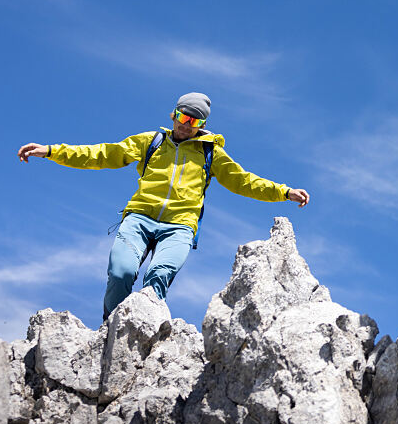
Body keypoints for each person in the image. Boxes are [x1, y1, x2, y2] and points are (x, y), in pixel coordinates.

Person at [17, 92, 310, 320]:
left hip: (179, 226)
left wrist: (284, 192)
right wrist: (52, 151)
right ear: (173, 114)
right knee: (120, 272)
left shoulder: (211, 154)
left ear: (202, 126)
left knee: (158, 275)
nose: (185, 125)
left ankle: (148, 327)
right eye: (182, 117)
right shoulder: (152, 141)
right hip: (140, 218)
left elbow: (244, 181)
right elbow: (103, 154)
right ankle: (113, 325)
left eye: (193, 122)